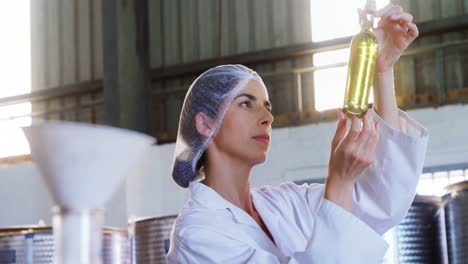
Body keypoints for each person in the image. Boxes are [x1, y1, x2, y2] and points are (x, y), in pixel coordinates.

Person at [167, 4, 428, 263]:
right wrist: (339, 182)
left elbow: (381, 200)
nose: (267, 118)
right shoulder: (196, 234)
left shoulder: (285, 203)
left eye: (267, 107)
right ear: (205, 124)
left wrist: (382, 70)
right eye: (246, 104)